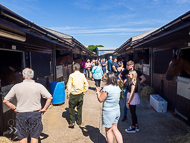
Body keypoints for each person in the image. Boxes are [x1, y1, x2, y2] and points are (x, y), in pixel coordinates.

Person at [3, 68, 52, 143]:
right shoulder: (39, 86)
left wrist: (14, 108)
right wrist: (44, 108)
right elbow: (49, 97)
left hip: (21, 114)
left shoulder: (16, 87)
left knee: (22, 137)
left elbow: (5, 100)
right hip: (35, 114)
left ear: (23, 76)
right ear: (33, 75)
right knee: (35, 137)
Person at [96, 72, 123, 143]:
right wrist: (102, 91)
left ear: (109, 78)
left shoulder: (106, 88)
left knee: (108, 131)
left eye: (106, 77)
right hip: (116, 110)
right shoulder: (117, 87)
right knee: (115, 129)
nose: (105, 78)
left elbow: (100, 99)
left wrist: (98, 92)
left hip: (108, 112)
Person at [67, 63, 89, 128]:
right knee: (79, 108)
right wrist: (84, 91)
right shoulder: (82, 75)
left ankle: (72, 122)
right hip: (80, 94)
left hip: (73, 94)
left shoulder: (71, 75)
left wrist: (68, 94)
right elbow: (86, 85)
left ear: (74, 68)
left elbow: (69, 86)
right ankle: (79, 122)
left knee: (71, 108)